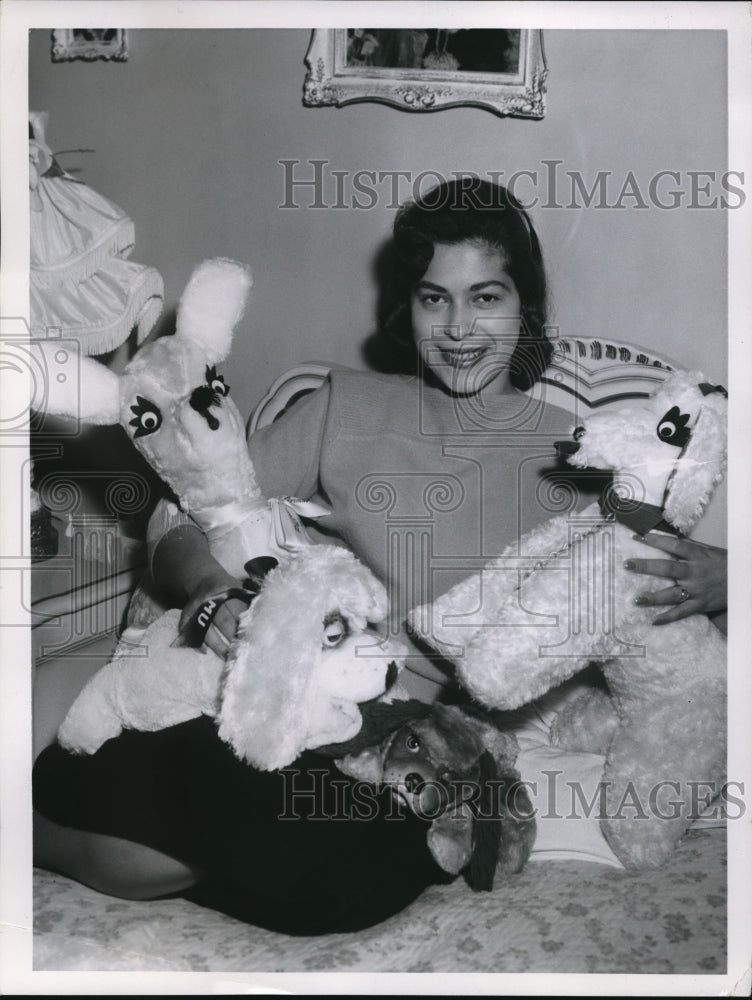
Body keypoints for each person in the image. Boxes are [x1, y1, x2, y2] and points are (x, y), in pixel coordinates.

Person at [33, 178, 727, 932]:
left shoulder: (576, 455)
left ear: (526, 306)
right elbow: (184, 513)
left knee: (368, 868)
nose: (459, 327)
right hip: (261, 691)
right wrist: (206, 593)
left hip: (380, 744)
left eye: (486, 297)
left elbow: (641, 588)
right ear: (410, 307)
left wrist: (728, 575)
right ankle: (60, 831)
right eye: (435, 299)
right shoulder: (345, 409)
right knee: (154, 838)